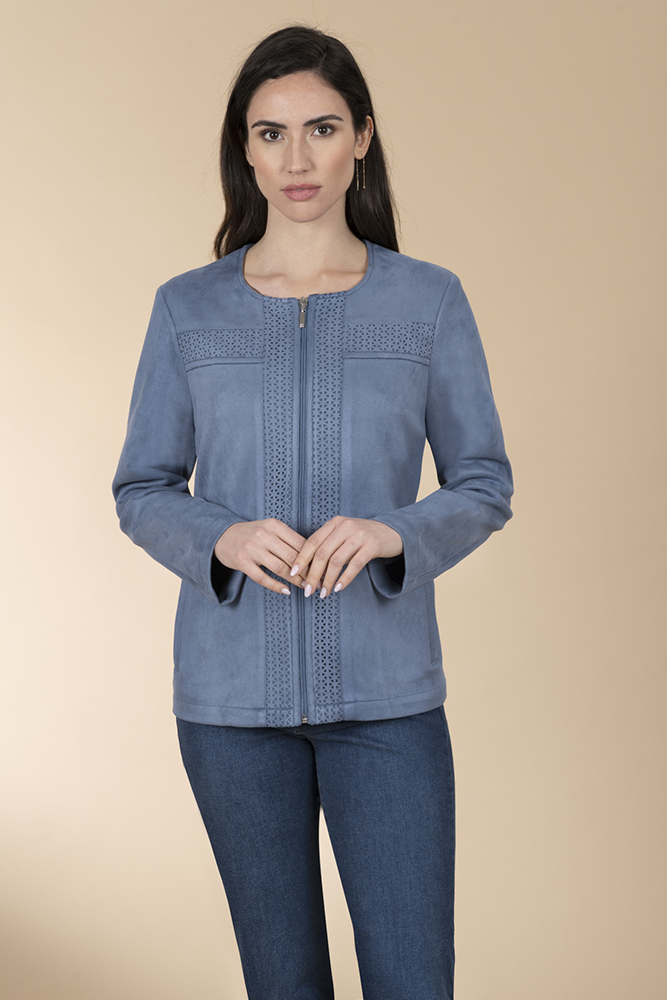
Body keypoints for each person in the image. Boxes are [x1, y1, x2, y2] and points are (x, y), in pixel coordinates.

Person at [112, 23, 513, 1000]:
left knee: (412, 982)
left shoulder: (427, 302)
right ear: (244, 150)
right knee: (282, 983)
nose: (296, 159)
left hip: (388, 701)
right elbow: (142, 487)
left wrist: (391, 532)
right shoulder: (187, 309)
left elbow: (482, 482)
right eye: (271, 133)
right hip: (230, 710)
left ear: (361, 138)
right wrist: (219, 535)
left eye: (321, 129)